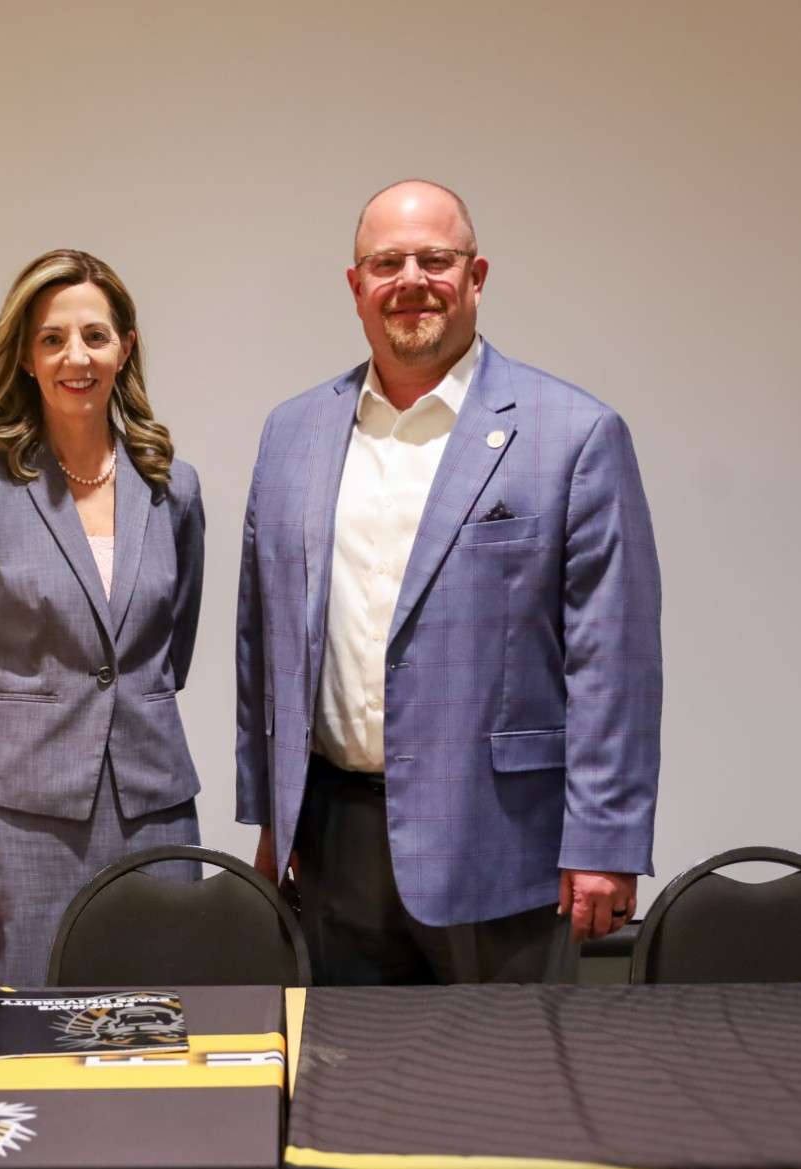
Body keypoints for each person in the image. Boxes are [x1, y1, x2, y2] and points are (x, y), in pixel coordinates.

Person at [234, 180, 662, 985]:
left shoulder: (574, 435)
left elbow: (615, 662)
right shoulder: (292, 434)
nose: (412, 281)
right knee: (345, 1063)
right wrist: (270, 812)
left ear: (476, 276)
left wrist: (605, 841)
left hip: (503, 848)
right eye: (387, 263)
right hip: (330, 845)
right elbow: (263, 642)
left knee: (507, 1068)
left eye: (435, 259)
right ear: (356, 285)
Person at [0, 250, 205, 986]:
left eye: (95, 336)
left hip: (155, 816)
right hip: (19, 827)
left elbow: (171, 653)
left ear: (125, 348)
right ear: (25, 356)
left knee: (152, 1031)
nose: (76, 357)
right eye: (52, 339)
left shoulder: (173, 487)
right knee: (24, 1032)